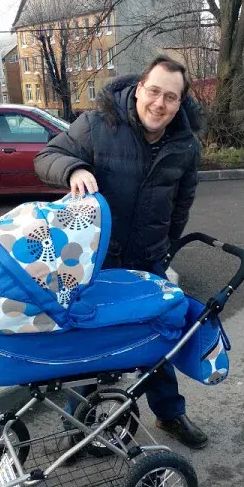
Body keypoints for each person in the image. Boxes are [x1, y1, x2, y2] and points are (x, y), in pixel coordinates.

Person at [34, 55, 208, 448]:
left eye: (170, 97)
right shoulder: (98, 124)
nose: (159, 104)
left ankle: (170, 414)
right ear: (139, 88)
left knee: (157, 338)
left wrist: (164, 250)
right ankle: (76, 428)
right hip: (94, 262)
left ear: (180, 103)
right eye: (154, 91)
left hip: (147, 261)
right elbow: (46, 158)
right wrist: (73, 169)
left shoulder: (185, 144)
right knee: (88, 345)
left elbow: (182, 203)